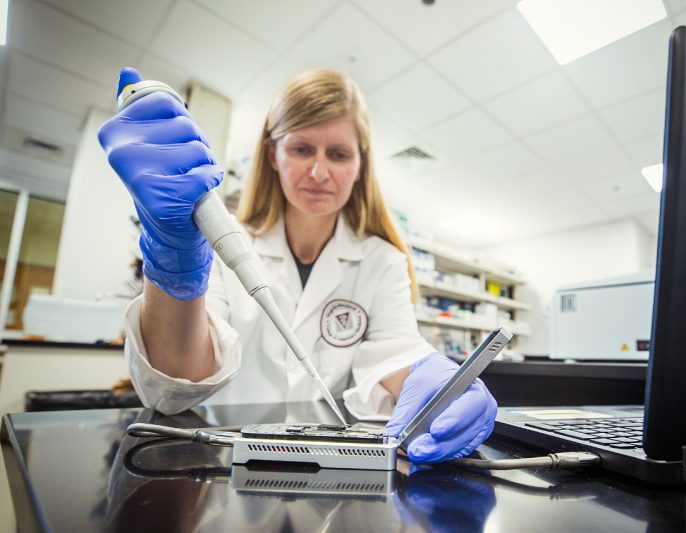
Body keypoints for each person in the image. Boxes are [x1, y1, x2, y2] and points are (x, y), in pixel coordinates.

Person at [98, 67, 497, 463]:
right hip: (221, 471)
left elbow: (394, 354)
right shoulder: (217, 242)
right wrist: (174, 265)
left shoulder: (382, 260)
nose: (320, 172)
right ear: (273, 154)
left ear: (360, 165)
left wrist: (434, 388)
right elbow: (174, 386)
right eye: (302, 149)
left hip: (334, 478)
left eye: (338, 154)